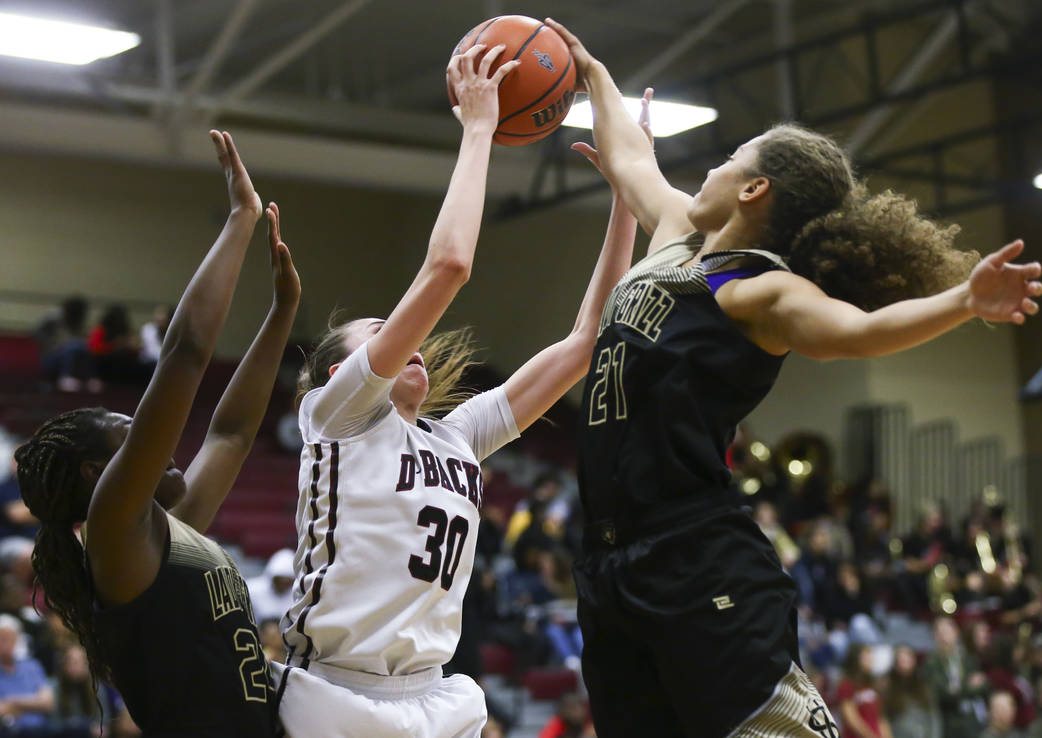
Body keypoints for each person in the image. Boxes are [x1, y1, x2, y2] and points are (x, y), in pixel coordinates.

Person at [543, 17, 1042, 738]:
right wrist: (588, 69)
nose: (708, 168)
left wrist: (964, 300)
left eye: (728, 160)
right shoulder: (676, 234)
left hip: (697, 560)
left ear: (753, 190)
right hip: (610, 565)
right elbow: (630, 163)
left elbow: (859, 334)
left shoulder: (760, 290)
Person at [274, 42, 640, 738]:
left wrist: (627, 191)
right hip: (336, 695)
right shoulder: (337, 414)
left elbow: (589, 340)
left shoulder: (457, 435)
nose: (402, 335)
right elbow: (448, 265)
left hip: (436, 695)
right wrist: (479, 128)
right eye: (380, 328)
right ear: (337, 371)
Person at [14, 131, 300, 737]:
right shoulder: (115, 530)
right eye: (132, 436)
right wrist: (240, 221)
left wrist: (279, 316)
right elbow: (186, 355)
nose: (164, 445)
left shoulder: (165, 536)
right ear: (101, 475)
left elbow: (231, 434)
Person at [0, 614, 55, 736]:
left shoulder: (32, 666)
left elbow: (48, 703)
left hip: (40, 731)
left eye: (11, 638)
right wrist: (33, 703)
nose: (6, 643)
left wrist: (12, 702)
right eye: (2, 638)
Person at [885, 644, 941, 738]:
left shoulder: (924, 686)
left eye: (908, 659)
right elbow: (884, 721)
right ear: (895, 663)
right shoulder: (888, 688)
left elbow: (934, 717)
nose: (904, 663)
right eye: (901, 660)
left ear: (914, 661)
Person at [247, 548, 296, 623]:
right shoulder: (251, 590)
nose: (283, 584)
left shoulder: (297, 596)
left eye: (287, 581)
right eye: (280, 579)